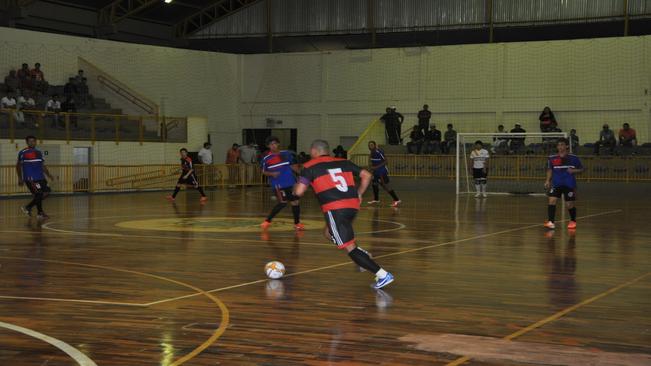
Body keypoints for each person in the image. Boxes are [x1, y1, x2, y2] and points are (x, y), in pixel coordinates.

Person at [293, 139, 394, 289]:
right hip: (351, 206)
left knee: (349, 248)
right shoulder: (343, 162)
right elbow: (367, 175)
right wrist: (359, 193)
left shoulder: (309, 166)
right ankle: (361, 254)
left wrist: (296, 185)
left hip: (335, 208)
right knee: (328, 232)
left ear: (314, 151)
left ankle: (382, 274)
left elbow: (299, 192)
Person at [260, 136, 303, 230]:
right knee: (283, 203)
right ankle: (267, 221)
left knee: (295, 201)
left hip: (290, 182)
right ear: (268, 146)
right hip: (278, 184)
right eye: (271, 144)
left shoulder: (286, 154)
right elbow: (263, 171)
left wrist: (302, 176)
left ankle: (297, 224)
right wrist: (272, 173)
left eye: (275, 143)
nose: (273, 146)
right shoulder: (266, 159)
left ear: (278, 144)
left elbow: (293, 167)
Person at [544, 138, 583, 230]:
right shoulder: (552, 158)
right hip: (556, 184)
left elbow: (581, 169)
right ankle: (551, 222)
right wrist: (547, 180)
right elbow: (550, 170)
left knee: (569, 204)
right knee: (552, 200)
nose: (560, 147)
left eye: (562, 145)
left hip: (569, 184)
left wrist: (574, 170)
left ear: (566, 146)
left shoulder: (574, 158)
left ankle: (573, 220)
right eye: (559, 145)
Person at [16, 135, 55, 219]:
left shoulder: (38, 152)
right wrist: (20, 177)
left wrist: (49, 175)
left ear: (36, 142)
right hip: (31, 178)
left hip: (41, 177)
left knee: (47, 192)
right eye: (30, 141)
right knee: (39, 194)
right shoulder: (23, 152)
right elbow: (18, 166)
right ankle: (38, 212)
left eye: (33, 141)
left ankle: (31, 208)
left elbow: (42, 165)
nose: (32, 143)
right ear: (27, 142)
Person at [367, 141, 401, 207]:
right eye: (369, 145)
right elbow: (372, 163)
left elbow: (386, 161)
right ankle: (376, 199)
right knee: (374, 184)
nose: (370, 146)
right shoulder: (371, 153)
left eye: (371, 145)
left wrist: (376, 167)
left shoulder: (379, 152)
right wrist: (371, 169)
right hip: (376, 172)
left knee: (386, 186)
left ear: (375, 145)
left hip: (382, 172)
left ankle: (396, 199)